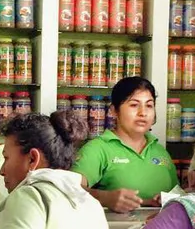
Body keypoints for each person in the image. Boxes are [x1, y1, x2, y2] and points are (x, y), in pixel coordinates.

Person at [72, 76, 178, 213]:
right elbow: (69, 188)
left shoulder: (160, 151)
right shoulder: (98, 149)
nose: (143, 113)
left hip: (159, 226)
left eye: (149, 105)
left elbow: (178, 194)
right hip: (112, 226)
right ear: (114, 111)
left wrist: (155, 201)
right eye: (134, 105)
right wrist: (104, 198)